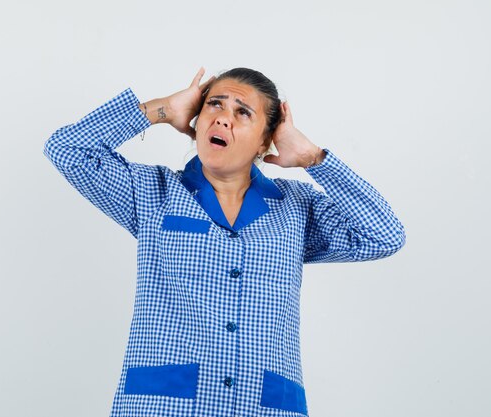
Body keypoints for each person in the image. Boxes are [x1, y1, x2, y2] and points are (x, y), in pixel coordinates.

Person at [43, 67, 406, 417]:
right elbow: (66, 149)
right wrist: (163, 109)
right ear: (197, 120)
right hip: (165, 405)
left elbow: (384, 235)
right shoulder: (151, 193)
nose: (222, 118)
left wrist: (313, 158)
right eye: (214, 104)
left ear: (266, 140)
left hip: (264, 406)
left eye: (242, 112)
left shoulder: (297, 208)